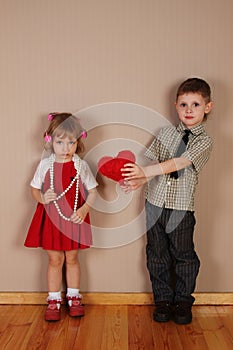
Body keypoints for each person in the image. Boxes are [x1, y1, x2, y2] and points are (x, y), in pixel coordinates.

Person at [121, 78, 213, 324]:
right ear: (176, 106)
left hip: (181, 209)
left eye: (195, 104)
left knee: (183, 255)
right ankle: (162, 300)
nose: (189, 110)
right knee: (156, 253)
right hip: (154, 203)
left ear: (207, 107)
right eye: (183, 104)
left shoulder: (204, 141)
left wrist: (144, 172)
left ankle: (183, 301)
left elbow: (180, 163)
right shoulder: (165, 133)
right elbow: (154, 166)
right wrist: (137, 180)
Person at [25, 112, 98, 321]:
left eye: (71, 142)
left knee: (73, 258)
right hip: (51, 219)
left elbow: (93, 191)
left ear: (78, 141)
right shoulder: (45, 165)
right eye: (60, 142)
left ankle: (74, 296)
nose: (66, 148)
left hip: (73, 218)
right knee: (54, 259)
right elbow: (33, 189)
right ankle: (54, 299)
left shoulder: (80, 165)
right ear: (50, 140)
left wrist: (84, 210)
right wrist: (42, 198)